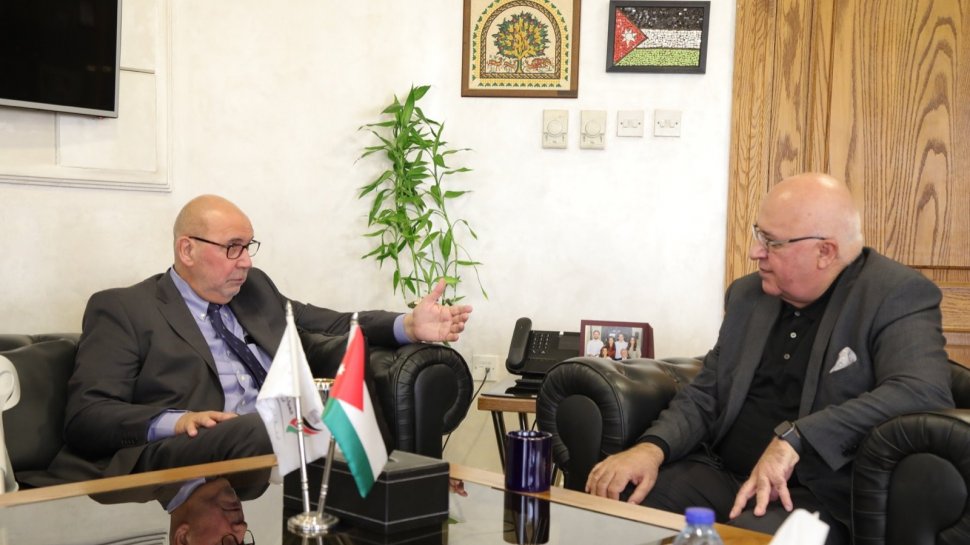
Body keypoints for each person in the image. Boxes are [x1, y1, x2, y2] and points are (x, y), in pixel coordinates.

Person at [584, 173, 953, 544]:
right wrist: (651, 449)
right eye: (759, 235)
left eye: (772, 243)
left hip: (811, 494)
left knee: (749, 540)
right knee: (620, 509)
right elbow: (707, 392)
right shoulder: (747, 295)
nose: (754, 252)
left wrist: (796, 438)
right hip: (723, 476)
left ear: (825, 252)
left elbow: (922, 391)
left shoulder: (894, 294)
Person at [45, 194, 472, 484]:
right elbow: (87, 416)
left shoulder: (255, 290)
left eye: (249, 247)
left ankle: (394, 499)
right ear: (187, 250)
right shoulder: (124, 308)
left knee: (336, 401)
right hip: (185, 445)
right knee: (283, 420)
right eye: (233, 247)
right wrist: (178, 420)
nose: (246, 262)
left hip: (276, 436)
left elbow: (329, 323)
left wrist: (407, 326)